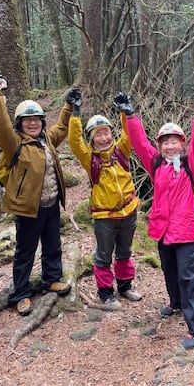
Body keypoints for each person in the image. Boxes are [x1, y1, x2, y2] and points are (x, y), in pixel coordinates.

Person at [114, 89, 194, 349]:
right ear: (160, 146)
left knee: (188, 278)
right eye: (165, 142)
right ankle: (175, 303)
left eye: (174, 141)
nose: (170, 146)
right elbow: (139, 142)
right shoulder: (156, 164)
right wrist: (130, 115)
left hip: (184, 232)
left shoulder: (189, 165)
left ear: (182, 145)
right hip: (163, 229)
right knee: (169, 271)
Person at [0, 70, 72, 317]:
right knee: (25, 252)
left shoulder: (47, 139)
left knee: (53, 245)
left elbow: (62, 127)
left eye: (36, 119)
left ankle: (51, 279)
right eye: (27, 120)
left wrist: (68, 105)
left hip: (51, 205)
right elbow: (0, 124)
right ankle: (21, 293)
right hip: (27, 209)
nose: (33, 123)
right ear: (20, 123)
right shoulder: (14, 143)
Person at [66, 88, 142, 310]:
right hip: (105, 216)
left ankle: (125, 287)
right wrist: (76, 113)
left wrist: (125, 112)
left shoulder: (121, 151)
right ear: (92, 139)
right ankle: (105, 293)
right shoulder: (90, 160)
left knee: (125, 252)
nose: (103, 138)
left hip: (128, 211)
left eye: (106, 132)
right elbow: (74, 141)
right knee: (103, 255)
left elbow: (130, 134)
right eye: (97, 135)